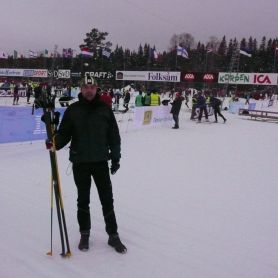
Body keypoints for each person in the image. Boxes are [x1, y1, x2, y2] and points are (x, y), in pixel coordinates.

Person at [47, 75, 127, 253]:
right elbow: (64, 134)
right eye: (85, 87)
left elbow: (114, 136)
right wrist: (55, 143)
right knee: (83, 200)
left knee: (107, 199)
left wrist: (116, 157)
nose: (88, 90)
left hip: (100, 162)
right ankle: (85, 234)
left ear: (96, 89)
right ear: (81, 90)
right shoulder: (73, 110)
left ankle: (113, 235)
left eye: (91, 87)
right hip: (80, 162)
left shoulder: (105, 110)